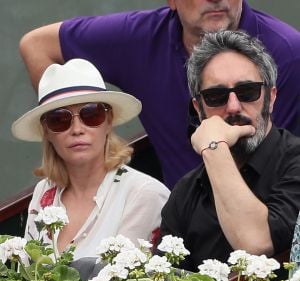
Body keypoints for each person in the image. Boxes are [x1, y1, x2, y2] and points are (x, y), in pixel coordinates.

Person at [19, 1, 300, 189]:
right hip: (179, 223)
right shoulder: (138, 39)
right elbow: (37, 46)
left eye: (247, 90)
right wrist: (80, 149)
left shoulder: (288, 54)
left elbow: (276, 184)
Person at [157, 30, 300, 272]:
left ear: (271, 98)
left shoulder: (294, 162)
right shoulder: (186, 193)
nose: (233, 107)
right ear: (199, 108)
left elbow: (255, 243)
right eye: (216, 96)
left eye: (247, 92)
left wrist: (213, 147)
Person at [11, 58, 170, 260]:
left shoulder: (144, 194)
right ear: (47, 132)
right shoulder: (43, 191)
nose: (77, 129)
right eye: (59, 120)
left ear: (109, 121)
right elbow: (27, 277)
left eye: (91, 114)